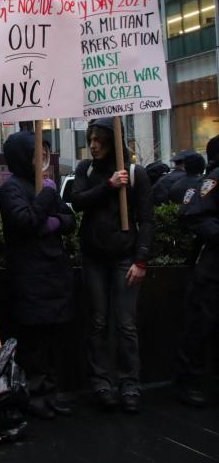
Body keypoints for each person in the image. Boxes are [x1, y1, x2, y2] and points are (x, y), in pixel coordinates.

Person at [70, 118, 153, 414]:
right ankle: (101, 383)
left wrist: (141, 259)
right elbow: (77, 201)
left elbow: (146, 219)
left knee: (126, 324)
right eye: (91, 139)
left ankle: (130, 384)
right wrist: (108, 186)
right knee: (98, 321)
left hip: (124, 258)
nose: (93, 145)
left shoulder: (136, 174)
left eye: (99, 140)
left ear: (112, 142)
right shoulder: (85, 170)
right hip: (94, 258)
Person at [0, 131, 76, 419]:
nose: (39, 158)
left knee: (54, 339)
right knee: (34, 343)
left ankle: (51, 392)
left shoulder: (45, 186)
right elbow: (25, 221)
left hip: (55, 275)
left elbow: (70, 220)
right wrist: (45, 198)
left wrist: (50, 223)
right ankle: (33, 396)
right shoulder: (11, 189)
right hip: (30, 277)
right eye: (34, 153)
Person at [175, 135, 219, 408]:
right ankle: (188, 379)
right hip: (213, 268)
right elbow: (192, 214)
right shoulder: (214, 178)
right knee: (202, 324)